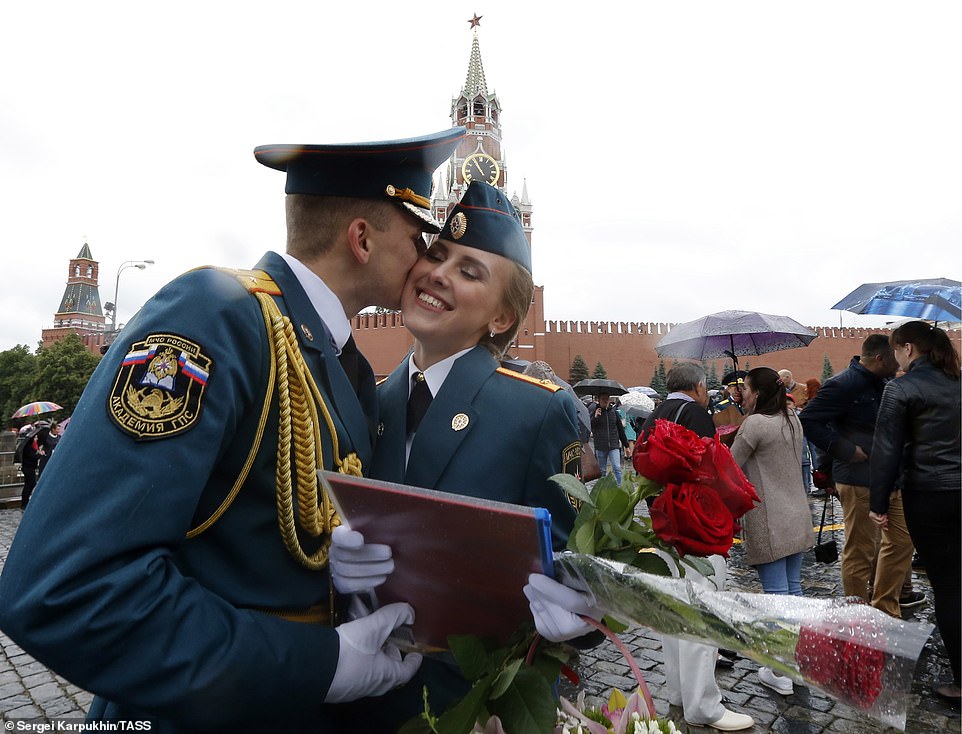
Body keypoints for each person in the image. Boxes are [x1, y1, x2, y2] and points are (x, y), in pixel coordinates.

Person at [0, 127, 465, 731]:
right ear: (362, 239)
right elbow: (67, 588)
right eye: (417, 237)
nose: (425, 259)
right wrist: (319, 664)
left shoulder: (343, 361)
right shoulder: (216, 316)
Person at [332, 180, 582, 730]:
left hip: (476, 707)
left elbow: (573, 564)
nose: (439, 273)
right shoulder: (369, 400)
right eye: (437, 254)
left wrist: (582, 611)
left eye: (470, 272)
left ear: (501, 318)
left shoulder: (537, 410)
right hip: (364, 699)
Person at [633, 362, 753, 732]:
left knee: (673, 613)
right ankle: (703, 705)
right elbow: (709, 471)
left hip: (666, 526)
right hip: (697, 528)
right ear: (700, 387)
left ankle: (679, 693)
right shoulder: (696, 414)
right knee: (702, 613)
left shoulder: (655, 415)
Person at [869, 321, 961, 703]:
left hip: (929, 494)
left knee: (949, 585)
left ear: (908, 348)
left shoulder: (901, 388)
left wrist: (878, 503)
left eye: (896, 349)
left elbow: (885, 450)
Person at [800, 334, 919, 618]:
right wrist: (845, 449)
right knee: (860, 550)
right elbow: (809, 420)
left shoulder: (885, 383)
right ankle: (858, 616)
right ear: (880, 358)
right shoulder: (843, 384)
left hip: (891, 477)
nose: (900, 361)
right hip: (858, 479)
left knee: (902, 542)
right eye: (895, 356)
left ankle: (885, 608)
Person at [730, 367, 816, 696]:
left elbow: (730, 465)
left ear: (758, 394)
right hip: (796, 515)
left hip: (770, 520)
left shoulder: (754, 425)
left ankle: (779, 669)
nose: (742, 394)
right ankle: (797, 664)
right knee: (794, 592)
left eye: (746, 389)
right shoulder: (792, 418)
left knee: (776, 598)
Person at [589, 391, 629, 485]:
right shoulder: (595, 413)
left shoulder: (613, 412)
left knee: (617, 467)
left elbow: (620, 429)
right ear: (599, 400)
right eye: (603, 399)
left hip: (613, 445)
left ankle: (620, 487)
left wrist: (626, 445)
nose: (605, 401)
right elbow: (590, 427)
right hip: (600, 445)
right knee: (602, 470)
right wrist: (595, 417)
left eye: (607, 399)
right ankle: (603, 488)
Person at [18, 420, 49, 509]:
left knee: (30, 484)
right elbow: (32, 456)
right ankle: (24, 503)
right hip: (27, 467)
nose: (36, 439)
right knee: (29, 484)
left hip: (30, 466)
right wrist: (40, 454)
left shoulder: (33, 443)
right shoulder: (29, 444)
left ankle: (25, 502)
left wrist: (39, 452)